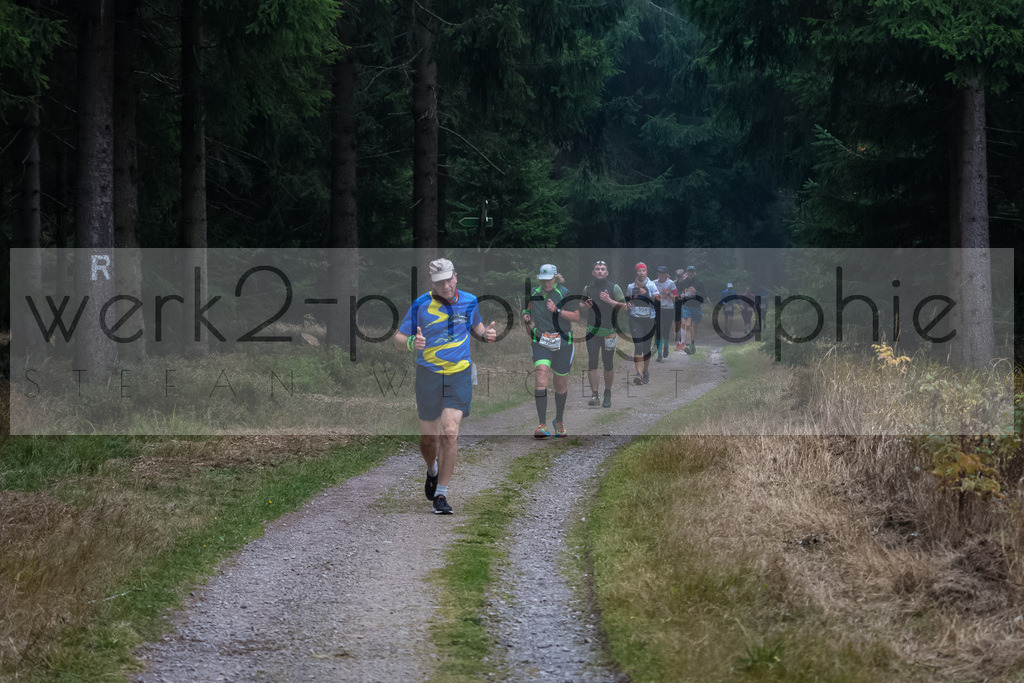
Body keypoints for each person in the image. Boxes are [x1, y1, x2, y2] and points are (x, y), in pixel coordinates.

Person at [394, 258, 497, 515]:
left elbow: (478, 327)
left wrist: (486, 335)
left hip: (458, 374)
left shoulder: (470, 301)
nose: (446, 286)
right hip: (428, 375)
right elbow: (398, 338)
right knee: (429, 440)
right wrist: (410, 344)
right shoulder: (421, 304)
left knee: (450, 431)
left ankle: (441, 495)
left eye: (449, 279)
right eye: (440, 282)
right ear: (433, 282)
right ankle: (432, 470)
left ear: (456, 276)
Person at [523, 263, 580, 438]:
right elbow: (528, 309)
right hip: (541, 341)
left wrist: (558, 310)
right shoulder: (534, 293)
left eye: (549, 280)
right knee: (541, 377)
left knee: (560, 384)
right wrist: (526, 315)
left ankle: (559, 420)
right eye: (543, 279)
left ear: (555, 277)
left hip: (562, 343)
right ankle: (542, 425)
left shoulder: (564, 293)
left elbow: (576, 317)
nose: (546, 283)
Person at [579, 260, 626, 408]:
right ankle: (594, 395)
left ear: (607, 272)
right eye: (597, 269)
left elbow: (624, 307)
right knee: (592, 362)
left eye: (602, 269)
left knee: (608, 363)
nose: (600, 271)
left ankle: (607, 393)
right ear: (593, 272)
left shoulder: (614, 287)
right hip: (592, 330)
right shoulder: (588, 288)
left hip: (609, 331)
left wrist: (609, 300)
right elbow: (581, 306)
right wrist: (585, 306)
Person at [625, 262, 659, 384]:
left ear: (646, 272)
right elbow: (627, 299)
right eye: (639, 271)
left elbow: (657, 301)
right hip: (635, 319)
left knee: (646, 348)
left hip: (649, 319)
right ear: (636, 273)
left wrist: (647, 294)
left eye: (643, 271)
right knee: (638, 346)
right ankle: (638, 374)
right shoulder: (630, 286)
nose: (641, 273)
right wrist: (627, 303)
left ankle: (645, 370)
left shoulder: (652, 285)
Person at [678, 265, 705, 355]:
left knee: (695, 326)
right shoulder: (683, 283)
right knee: (688, 325)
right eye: (688, 272)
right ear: (687, 273)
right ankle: (688, 344)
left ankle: (693, 343)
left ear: (695, 273)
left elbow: (705, 295)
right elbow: (679, 293)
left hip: (697, 306)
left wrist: (695, 292)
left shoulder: (700, 282)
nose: (690, 273)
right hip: (686, 306)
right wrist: (681, 296)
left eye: (692, 272)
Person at [653, 266, 678, 362]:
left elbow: (675, 298)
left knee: (666, 332)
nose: (660, 275)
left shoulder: (671, 283)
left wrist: (667, 294)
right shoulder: (654, 283)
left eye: (662, 273)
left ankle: (666, 346)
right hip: (658, 309)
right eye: (659, 273)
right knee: (659, 331)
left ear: (666, 274)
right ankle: (659, 354)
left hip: (669, 309)